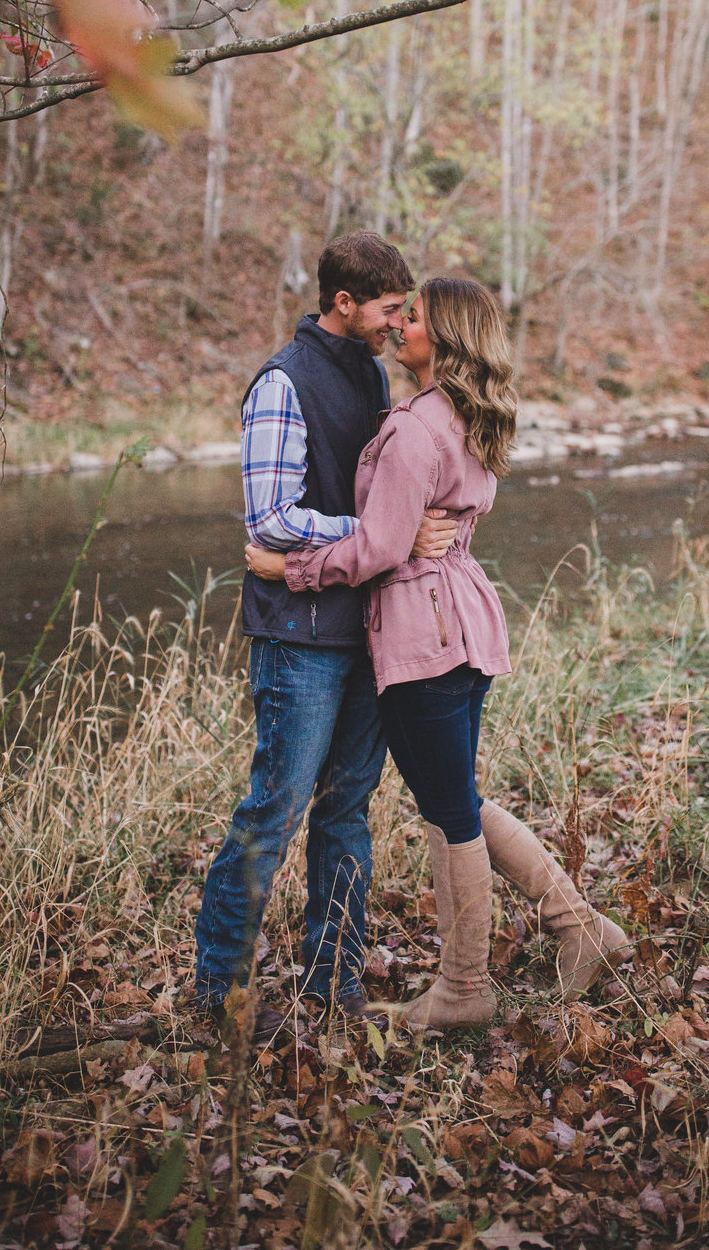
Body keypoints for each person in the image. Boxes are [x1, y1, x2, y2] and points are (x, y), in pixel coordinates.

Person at [246, 277, 628, 1030]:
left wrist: (286, 569)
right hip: (459, 621)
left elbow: (380, 547)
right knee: (456, 796)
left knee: (450, 806)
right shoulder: (463, 416)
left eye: (413, 318)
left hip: (425, 635)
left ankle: (465, 988)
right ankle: (580, 929)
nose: (400, 327)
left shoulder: (417, 428)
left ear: (444, 338)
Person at [194, 233, 459, 1035]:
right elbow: (269, 519)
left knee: (347, 810)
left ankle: (333, 984)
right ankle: (219, 993)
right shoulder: (283, 380)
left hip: (368, 626)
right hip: (300, 634)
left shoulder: (373, 374)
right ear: (342, 303)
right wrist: (383, 531)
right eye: (386, 308)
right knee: (273, 810)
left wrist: (389, 533)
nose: (396, 321)